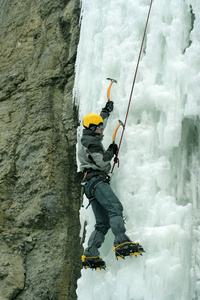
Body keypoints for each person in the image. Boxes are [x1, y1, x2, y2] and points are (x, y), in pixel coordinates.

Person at [78, 100, 141, 269]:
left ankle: (90, 254)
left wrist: (105, 112)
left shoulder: (88, 136)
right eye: (98, 126)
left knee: (102, 223)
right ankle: (121, 242)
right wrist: (111, 151)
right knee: (115, 207)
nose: (100, 128)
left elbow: (100, 124)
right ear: (92, 128)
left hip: (89, 186)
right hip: (96, 181)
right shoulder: (91, 143)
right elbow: (103, 164)